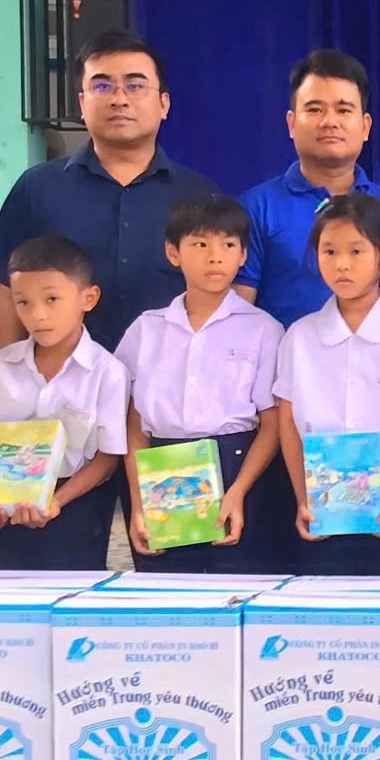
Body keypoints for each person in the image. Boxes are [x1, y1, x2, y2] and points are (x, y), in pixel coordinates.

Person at [0, 30, 217, 354]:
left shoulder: (199, 197)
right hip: (60, 380)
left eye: (135, 86)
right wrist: (1, 375)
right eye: (102, 86)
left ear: (164, 104)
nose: (119, 99)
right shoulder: (37, 188)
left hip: (168, 380)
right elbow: (8, 291)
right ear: (82, 102)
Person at [115, 196, 286, 573]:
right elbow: (133, 424)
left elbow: (272, 424)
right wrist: (139, 501)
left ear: (243, 255)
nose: (215, 257)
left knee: (237, 582)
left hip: (238, 468)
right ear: (173, 253)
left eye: (228, 245)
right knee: (170, 587)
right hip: (161, 473)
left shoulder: (263, 329)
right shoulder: (147, 329)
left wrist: (238, 491)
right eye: (200, 244)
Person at [274, 194, 380, 574]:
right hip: (323, 488)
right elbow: (287, 422)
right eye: (329, 251)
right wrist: (303, 497)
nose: (342, 265)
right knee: (326, 598)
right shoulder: (299, 335)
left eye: (356, 251)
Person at [0, 235, 130, 570]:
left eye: (52, 299)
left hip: (77, 503)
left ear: (88, 298)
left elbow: (107, 459)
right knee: (11, 592)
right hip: (9, 503)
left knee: (75, 592)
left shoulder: (108, 372)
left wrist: (55, 501)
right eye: (23, 303)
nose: (37, 315)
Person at [235, 50, 380, 326]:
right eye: (314, 110)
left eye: (344, 110)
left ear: (365, 126)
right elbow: (239, 318)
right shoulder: (256, 209)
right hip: (285, 353)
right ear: (291, 123)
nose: (330, 122)